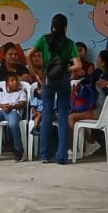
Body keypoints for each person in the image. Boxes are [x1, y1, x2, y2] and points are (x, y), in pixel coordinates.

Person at [33, 13, 75, 166]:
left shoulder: (44, 39)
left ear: (52, 26)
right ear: (66, 28)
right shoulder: (70, 43)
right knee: (63, 116)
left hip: (47, 81)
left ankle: (44, 155)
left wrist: (36, 73)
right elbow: (78, 65)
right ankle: (61, 156)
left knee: (46, 115)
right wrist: (65, 68)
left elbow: (28, 54)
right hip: (63, 82)